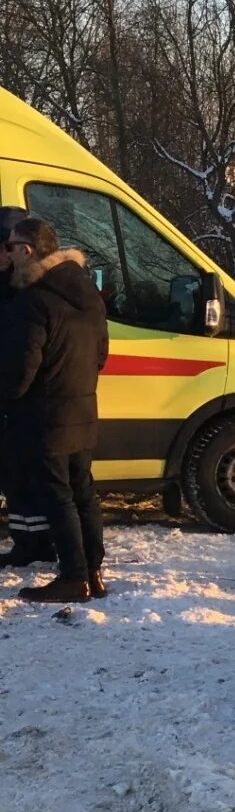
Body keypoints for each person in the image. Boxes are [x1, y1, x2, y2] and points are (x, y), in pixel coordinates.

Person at [0, 217, 108, 603]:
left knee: (57, 497)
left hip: (46, 417)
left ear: (26, 251)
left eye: (10, 248)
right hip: (83, 407)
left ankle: (74, 577)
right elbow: (101, 355)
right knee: (83, 492)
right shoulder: (85, 291)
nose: (7, 255)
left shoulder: (32, 300)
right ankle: (94, 572)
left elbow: (19, 372)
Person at [0, 206, 56, 570]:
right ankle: (27, 541)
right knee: (13, 475)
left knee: (22, 476)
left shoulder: (23, 289)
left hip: (19, 398)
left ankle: (34, 544)